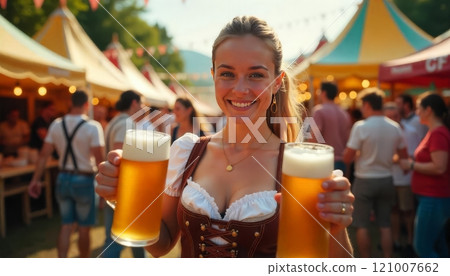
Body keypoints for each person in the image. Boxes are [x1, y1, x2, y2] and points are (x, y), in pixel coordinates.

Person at [96, 16, 354, 258]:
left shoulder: (298, 167)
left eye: (256, 75)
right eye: (227, 74)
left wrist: (336, 228)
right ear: (213, 76)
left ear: (277, 82)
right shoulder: (187, 152)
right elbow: (161, 244)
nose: (240, 89)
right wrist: (124, 196)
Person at [28, 91, 104, 258]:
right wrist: (105, 191)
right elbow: (100, 161)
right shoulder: (92, 127)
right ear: (86, 105)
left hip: (63, 178)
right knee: (84, 226)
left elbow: (43, 155)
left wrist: (35, 180)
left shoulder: (56, 124)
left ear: (70, 103)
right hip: (84, 179)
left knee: (66, 225)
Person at [343, 88, 408, 258]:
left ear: (367, 105)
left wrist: (360, 154)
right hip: (387, 178)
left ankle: (366, 263)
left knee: (362, 224)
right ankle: (387, 261)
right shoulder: (395, 127)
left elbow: (347, 157)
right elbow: (403, 157)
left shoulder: (361, 126)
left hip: (364, 179)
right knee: (385, 224)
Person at [399, 92, 450, 258]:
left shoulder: (438, 133)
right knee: (438, 245)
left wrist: (411, 164)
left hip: (433, 198)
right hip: (432, 197)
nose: (417, 112)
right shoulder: (434, 132)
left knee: (422, 247)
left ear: (428, 110)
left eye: (419, 108)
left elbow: (439, 167)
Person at [101, 90, 146, 258]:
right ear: (134, 103)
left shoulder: (115, 120)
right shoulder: (127, 123)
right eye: (141, 104)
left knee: (134, 238)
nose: (142, 108)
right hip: (124, 190)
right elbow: (119, 156)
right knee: (115, 242)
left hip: (114, 187)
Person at [383, 102, 420, 256]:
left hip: (404, 179)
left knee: (407, 212)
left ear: (400, 115)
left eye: (395, 116)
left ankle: (411, 242)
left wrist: (395, 158)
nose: (393, 120)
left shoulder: (411, 131)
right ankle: (397, 241)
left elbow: (412, 155)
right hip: (390, 176)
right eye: (389, 117)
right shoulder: (385, 131)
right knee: (394, 211)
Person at [311, 81, 351, 172]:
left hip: (323, 159)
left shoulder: (319, 111)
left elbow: (314, 136)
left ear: (324, 93)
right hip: (341, 160)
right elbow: (348, 138)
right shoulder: (344, 113)